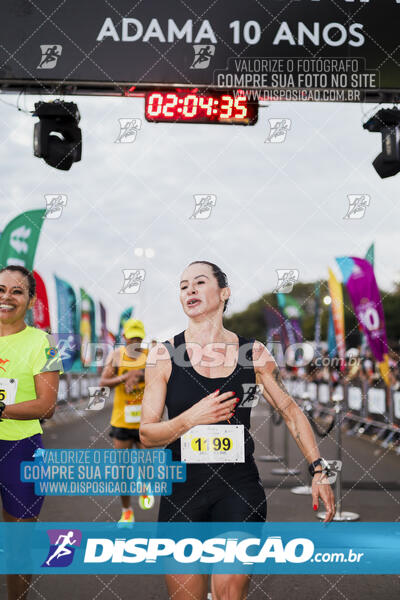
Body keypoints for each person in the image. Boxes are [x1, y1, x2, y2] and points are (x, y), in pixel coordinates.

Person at [140, 260, 336, 600]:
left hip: (238, 487)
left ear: (224, 292)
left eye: (199, 282)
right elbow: (147, 435)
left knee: (229, 589)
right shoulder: (163, 356)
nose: (189, 290)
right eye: (183, 285)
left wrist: (319, 469)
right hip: (182, 491)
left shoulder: (254, 353)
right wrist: (190, 419)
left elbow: (289, 411)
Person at [0, 265, 63, 600]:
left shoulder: (46, 343)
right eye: (0, 289)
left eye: (17, 291)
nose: (6, 297)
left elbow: (47, 406)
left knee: (18, 546)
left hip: (21, 449)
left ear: (30, 300)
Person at [99, 318, 153, 524]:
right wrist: (124, 377)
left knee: (146, 466)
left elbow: (161, 379)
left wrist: (139, 376)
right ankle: (127, 510)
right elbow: (103, 382)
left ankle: (144, 486)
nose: (136, 342)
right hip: (121, 421)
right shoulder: (116, 355)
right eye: (132, 338)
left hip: (145, 421)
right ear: (125, 337)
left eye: (139, 338)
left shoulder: (150, 356)